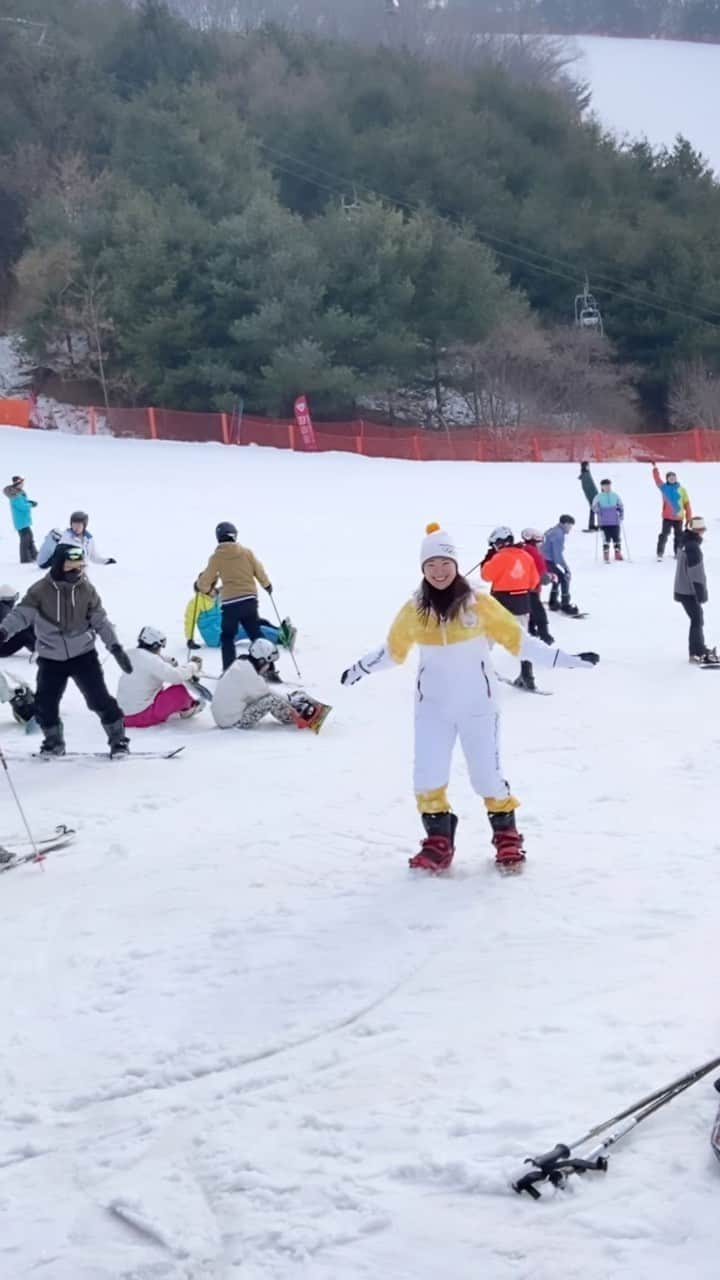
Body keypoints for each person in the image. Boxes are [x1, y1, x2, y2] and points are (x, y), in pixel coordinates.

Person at [340, 522, 599, 872]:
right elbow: (393, 651)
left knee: (486, 777)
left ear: (456, 564)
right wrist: (360, 668)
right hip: (432, 708)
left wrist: (565, 660)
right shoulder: (415, 608)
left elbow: (518, 641)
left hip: (478, 705)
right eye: (430, 565)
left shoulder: (479, 604)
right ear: (422, 569)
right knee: (427, 778)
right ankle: (438, 842)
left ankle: (507, 839)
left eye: (444, 563)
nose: (438, 571)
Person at [0, 544, 132, 757]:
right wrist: (4, 631)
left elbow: (101, 621)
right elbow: (21, 615)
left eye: (80, 567)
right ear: (59, 565)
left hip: (83, 655)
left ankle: (118, 740)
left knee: (99, 700)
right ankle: (53, 743)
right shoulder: (40, 590)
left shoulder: (86, 590)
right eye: (71, 567)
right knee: (45, 704)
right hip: (51, 658)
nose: (76, 571)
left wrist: (115, 647)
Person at [196, 522, 276, 674]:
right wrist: (267, 585)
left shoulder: (216, 557)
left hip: (231, 604)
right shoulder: (247, 553)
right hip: (250, 601)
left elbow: (206, 580)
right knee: (256, 634)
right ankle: (269, 668)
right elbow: (259, 570)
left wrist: (202, 587)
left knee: (227, 637)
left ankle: (229, 671)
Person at [211, 638, 321, 730]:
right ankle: (295, 718)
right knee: (271, 701)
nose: (269, 667)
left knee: (268, 698)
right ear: (261, 661)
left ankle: (293, 711)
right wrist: (291, 701)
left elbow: (260, 691)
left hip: (224, 717)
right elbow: (267, 693)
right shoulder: (248, 675)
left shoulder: (241, 665)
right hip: (232, 722)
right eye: (269, 663)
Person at [481, 526, 540, 691]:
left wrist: (489, 559)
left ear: (500, 543)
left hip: (500, 603)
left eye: (494, 545)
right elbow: (534, 582)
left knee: (485, 640)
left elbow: (486, 576)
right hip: (522, 603)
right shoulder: (526, 556)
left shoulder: (500, 557)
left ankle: (476, 673)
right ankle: (527, 676)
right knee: (523, 641)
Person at [118, 627, 205, 728]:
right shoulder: (150, 660)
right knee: (178, 691)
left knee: (158, 689)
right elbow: (176, 676)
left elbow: (152, 661)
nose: (161, 649)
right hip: (140, 716)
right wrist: (193, 666)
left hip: (122, 716)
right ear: (155, 645)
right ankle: (189, 709)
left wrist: (170, 661)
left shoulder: (132, 656)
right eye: (161, 646)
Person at [184, 590, 296, 653]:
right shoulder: (196, 602)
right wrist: (190, 639)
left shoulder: (215, 597)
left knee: (256, 621)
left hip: (225, 628)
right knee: (250, 629)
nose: (214, 589)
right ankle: (281, 639)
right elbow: (189, 621)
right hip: (217, 637)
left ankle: (279, 631)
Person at [673, 517, 718, 665]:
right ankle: (696, 652)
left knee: (697, 618)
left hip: (682, 588)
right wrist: (701, 593)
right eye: (702, 530)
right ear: (697, 531)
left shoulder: (684, 541)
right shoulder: (693, 547)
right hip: (689, 590)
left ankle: (698, 649)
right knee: (697, 619)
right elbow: (696, 573)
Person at [37, 511, 116, 569]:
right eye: (73, 525)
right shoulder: (66, 538)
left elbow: (93, 556)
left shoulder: (88, 539)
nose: (76, 528)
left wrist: (105, 561)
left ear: (84, 526)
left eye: (79, 525)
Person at [521, 529, 554, 645]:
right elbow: (542, 575)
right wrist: (550, 578)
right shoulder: (534, 553)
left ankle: (531, 632)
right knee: (538, 611)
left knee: (529, 610)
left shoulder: (521, 549)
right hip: (532, 587)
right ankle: (544, 635)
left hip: (521, 586)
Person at [652, 464, 691, 561]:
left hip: (679, 518)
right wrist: (655, 468)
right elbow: (657, 480)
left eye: (674, 477)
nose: (672, 479)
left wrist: (689, 517)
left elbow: (687, 504)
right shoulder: (664, 488)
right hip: (667, 517)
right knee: (664, 534)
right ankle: (660, 553)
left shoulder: (682, 490)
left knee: (679, 536)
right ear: (667, 479)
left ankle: (677, 553)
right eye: (670, 477)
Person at [542, 515, 580, 615]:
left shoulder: (553, 530)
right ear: (565, 524)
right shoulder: (559, 534)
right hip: (548, 560)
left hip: (543, 559)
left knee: (557, 577)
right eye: (570, 526)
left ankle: (553, 601)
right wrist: (566, 568)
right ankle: (565, 604)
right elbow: (557, 555)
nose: (570, 529)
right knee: (564, 578)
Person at [3, 475, 37, 562]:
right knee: (25, 539)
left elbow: (23, 503)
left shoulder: (19, 493)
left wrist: (30, 502)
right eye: (22, 483)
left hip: (24, 520)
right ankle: (25, 559)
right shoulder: (15, 495)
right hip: (21, 521)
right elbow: (22, 506)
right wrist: (31, 505)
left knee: (29, 537)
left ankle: (34, 555)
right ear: (18, 483)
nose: (23, 484)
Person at [592, 479, 624, 562]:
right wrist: (598, 510)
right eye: (605, 486)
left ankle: (618, 553)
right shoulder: (598, 496)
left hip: (615, 521)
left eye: (609, 485)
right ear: (602, 487)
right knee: (606, 539)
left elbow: (620, 505)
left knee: (616, 538)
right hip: (604, 522)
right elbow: (594, 507)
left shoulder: (615, 495)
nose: (607, 487)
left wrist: (621, 514)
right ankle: (606, 554)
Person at [0, 585, 34, 657]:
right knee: (24, 634)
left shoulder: (4, 608)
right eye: (13, 600)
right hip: (1, 647)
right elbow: (11, 626)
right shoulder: (3, 609)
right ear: (8, 600)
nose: (14, 602)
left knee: (26, 628)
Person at [579, 461, 598, 532]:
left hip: (594, 495)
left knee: (593, 510)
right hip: (592, 496)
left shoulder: (587, 474)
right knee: (595, 509)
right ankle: (592, 526)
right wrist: (594, 497)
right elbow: (588, 488)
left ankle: (592, 525)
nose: (588, 467)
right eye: (587, 466)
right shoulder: (585, 475)